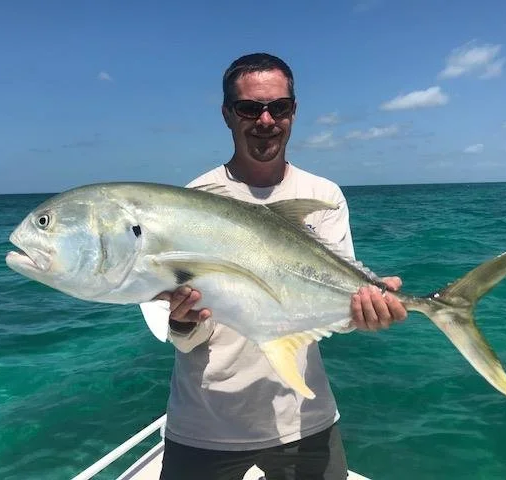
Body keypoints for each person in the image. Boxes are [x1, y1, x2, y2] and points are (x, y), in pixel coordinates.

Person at [156, 53, 407, 480]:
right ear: (227, 115)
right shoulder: (195, 199)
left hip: (305, 418)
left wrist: (364, 310)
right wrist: (181, 321)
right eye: (249, 108)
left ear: (294, 110)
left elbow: (335, 314)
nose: (266, 120)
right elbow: (187, 335)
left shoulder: (322, 194)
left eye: (280, 107)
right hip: (205, 422)